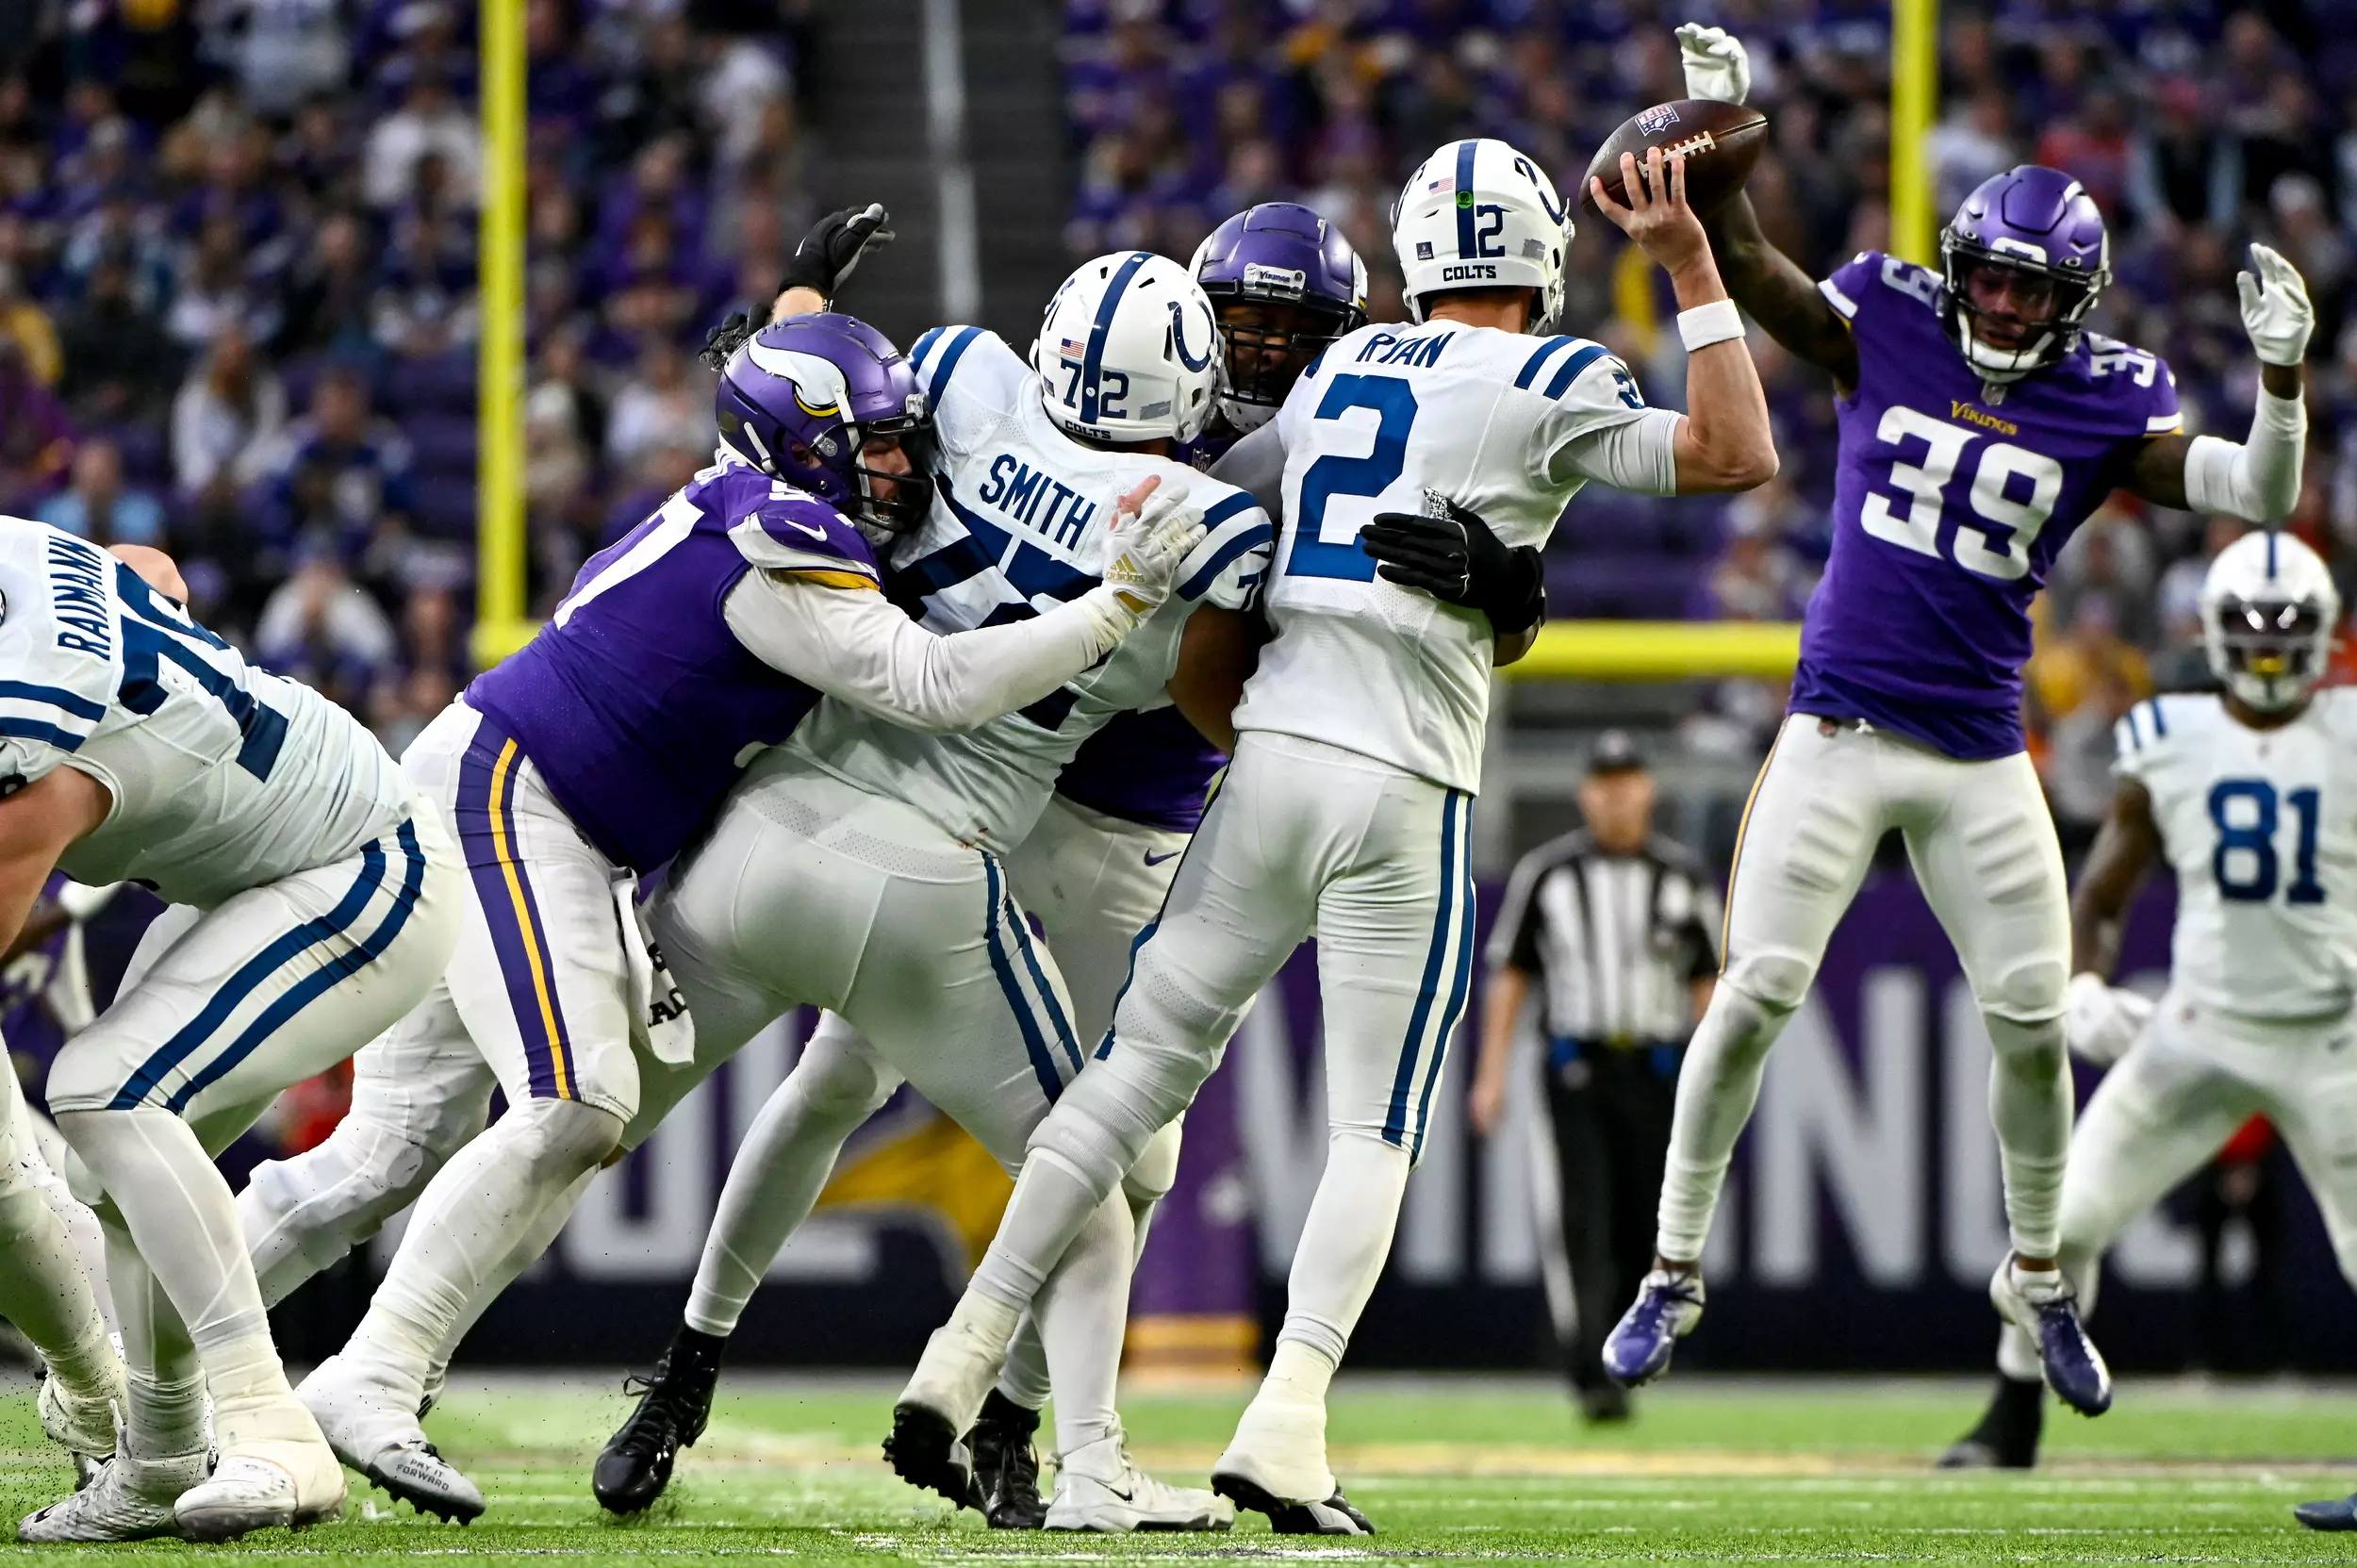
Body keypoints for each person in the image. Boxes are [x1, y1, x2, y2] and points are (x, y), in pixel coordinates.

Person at [235, 221, 1209, 1528]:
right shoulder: (783, 525)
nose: (892, 459)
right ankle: (372, 1371)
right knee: (578, 1106)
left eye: (893, 433)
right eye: (865, 440)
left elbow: (787, 386)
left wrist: (792, 308)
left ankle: (162, 1372)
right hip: (518, 806)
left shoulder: (751, 483)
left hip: (561, 815)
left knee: (393, 1148)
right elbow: (924, 678)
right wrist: (1113, 610)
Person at [891, 131, 1776, 1536]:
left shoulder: (1337, 371)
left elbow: (1212, 522)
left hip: (1270, 748)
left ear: (1415, 256)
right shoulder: (1552, 371)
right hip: (1405, 777)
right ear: (1543, 260)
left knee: (1127, 1076)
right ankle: (1287, 1417)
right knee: (1374, 1122)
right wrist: (1685, 261)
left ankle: (957, 1356)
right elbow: (1738, 450)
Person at [592, 203, 1368, 1530]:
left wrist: (787, 326)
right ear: (1191, 326)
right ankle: (1040, 1439)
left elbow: (847, 427)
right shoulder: (1234, 490)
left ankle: (948, 1407)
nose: (1259, 350)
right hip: (1038, 817)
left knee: (1044, 1134)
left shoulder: (985, 383)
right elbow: (1226, 682)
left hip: (972, 797)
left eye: (1289, 333)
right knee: (1087, 1147)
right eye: (1240, 320)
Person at [1602, 25, 2316, 1418]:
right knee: (1752, 994)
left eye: (2021, 285)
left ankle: (2039, 1271)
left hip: (1984, 750)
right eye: (1982, 272)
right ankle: (1673, 1265)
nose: (1991, 301)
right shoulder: (1897, 312)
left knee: (2035, 1023)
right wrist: (1727, 130)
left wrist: (2281, 385)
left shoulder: (2106, 398)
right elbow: (1755, 275)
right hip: (1840, 730)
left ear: (2077, 297)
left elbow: (2259, 496)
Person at [0, 533, 465, 1543]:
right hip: (258, 871)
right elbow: (148, 563)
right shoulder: (22, 565)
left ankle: (272, 1423)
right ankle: (162, 1458)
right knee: (107, 1172)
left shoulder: (33, 754)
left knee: (104, 1089)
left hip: (362, 869)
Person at [1925, 532, 2357, 1479]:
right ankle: (2010, 1417)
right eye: (2252, 629)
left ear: (2325, 636)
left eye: (2289, 633)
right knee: (2060, 1226)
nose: (2273, 651)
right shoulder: (2168, 740)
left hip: (2332, 1033)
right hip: (2201, 1029)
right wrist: (2081, 981)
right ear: (2210, 634)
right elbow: (2102, 896)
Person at [1467, 732, 1718, 1424]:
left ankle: (1634, 1351)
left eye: (1628, 779)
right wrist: (1491, 1074)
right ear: (1586, 793)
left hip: (1658, 1066)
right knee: (1581, 1218)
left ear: (1648, 788)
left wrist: (1716, 1078)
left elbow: (1709, 984)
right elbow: (1511, 976)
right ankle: (1589, 1368)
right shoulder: (1548, 874)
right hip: (1574, 1068)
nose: (1616, 794)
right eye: (1604, 781)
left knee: (1648, 1219)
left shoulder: (1682, 877)